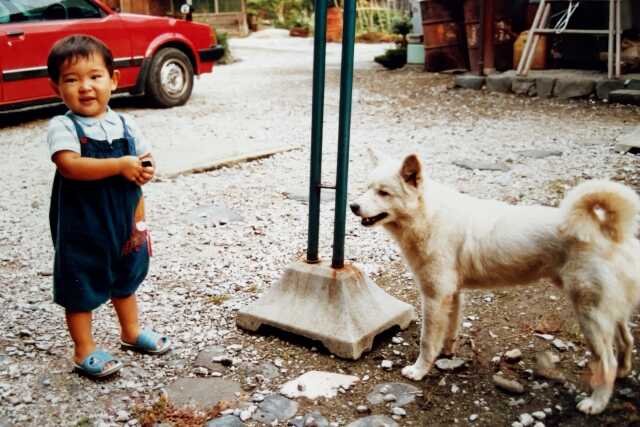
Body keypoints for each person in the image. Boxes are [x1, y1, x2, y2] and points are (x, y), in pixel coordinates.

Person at [46, 35, 170, 378]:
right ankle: (83, 348)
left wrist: (145, 169)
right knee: (80, 283)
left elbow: (144, 157)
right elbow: (70, 165)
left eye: (95, 76)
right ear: (57, 87)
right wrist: (119, 165)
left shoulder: (126, 123)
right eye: (72, 79)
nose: (85, 87)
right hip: (82, 225)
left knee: (126, 276)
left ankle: (130, 332)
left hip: (125, 221)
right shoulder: (63, 126)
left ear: (113, 80)